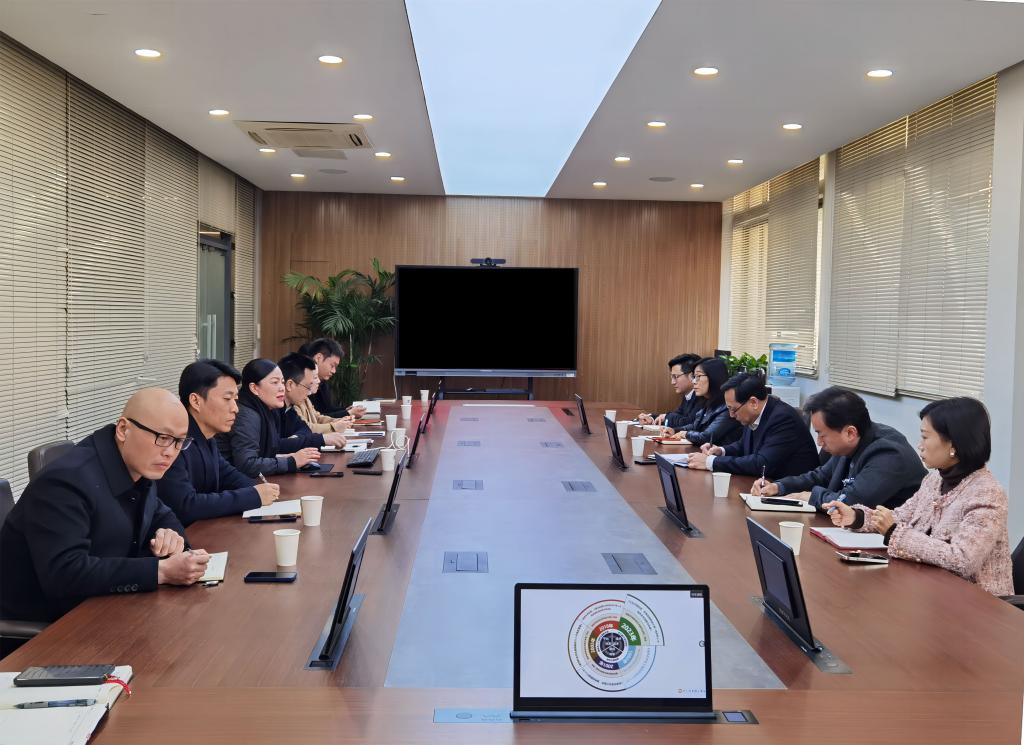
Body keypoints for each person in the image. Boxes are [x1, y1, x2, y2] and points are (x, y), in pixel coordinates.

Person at [0, 389, 211, 624]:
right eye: (162, 438)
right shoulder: (65, 481)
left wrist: (171, 537)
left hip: (104, 607)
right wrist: (160, 571)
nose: (170, 452)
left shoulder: (137, 463)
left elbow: (161, 513)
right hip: (46, 627)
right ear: (123, 429)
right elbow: (65, 573)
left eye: (179, 442)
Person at [825, 397, 1012, 596]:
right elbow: (900, 517)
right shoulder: (934, 480)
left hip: (975, 602)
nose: (919, 445)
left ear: (953, 444)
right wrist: (856, 517)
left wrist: (895, 532)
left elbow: (963, 559)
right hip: (930, 590)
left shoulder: (987, 493)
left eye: (925, 437)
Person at [752, 386, 925, 511]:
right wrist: (779, 487)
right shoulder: (850, 443)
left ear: (850, 433)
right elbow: (820, 477)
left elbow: (852, 502)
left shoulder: (889, 454)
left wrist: (810, 496)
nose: (819, 442)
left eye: (822, 435)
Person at [158, 360, 280, 525]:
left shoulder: (207, 437)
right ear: (196, 401)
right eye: (227, 399)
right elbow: (186, 505)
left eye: (235, 399)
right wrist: (253, 496)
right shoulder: (174, 442)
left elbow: (228, 475)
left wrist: (260, 490)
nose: (235, 408)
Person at [688, 371, 819, 479]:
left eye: (733, 409)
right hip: (763, 484)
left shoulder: (783, 419)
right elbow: (743, 445)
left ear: (753, 403)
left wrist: (710, 462)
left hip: (791, 491)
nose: (731, 415)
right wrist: (721, 451)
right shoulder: (754, 413)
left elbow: (762, 464)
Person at [219, 359, 323, 477]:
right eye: (274, 382)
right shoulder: (246, 415)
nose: (282, 388)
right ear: (254, 388)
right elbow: (247, 465)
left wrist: (291, 457)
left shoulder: (268, 409)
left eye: (282, 382)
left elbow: (267, 452)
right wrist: (291, 462)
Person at [661, 357, 742, 447]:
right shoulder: (708, 402)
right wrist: (674, 430)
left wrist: (685, 434)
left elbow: (707, 437)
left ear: (713, 377)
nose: (694, 382)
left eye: (698, 377)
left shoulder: (727, 407)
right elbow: (695, 426)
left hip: (718, 454)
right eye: (694, 377)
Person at [278, 353, 348, 448]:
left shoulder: (289, 409)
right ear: (290, 385)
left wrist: (296, 439)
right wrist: (321, 439)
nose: (309, 393)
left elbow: (305, 430)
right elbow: (274, 446)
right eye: (307, 386)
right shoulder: (272, 409)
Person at [300, 338, 367, 419]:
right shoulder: (301, 383)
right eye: (332, 366)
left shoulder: (322, 381)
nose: (334, 371)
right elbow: (315, 419)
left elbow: (327, 410)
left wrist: (346, 410)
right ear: (318, 358)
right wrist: (347, 413)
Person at [638, 353, 702, 428]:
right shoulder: (688, 395)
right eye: (672, 377)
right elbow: (676, 416)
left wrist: (666, 417)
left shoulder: (702, 396)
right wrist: (651, 418)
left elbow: (689, 422)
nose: (672, 382)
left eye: (676, 377)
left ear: (692, 375)